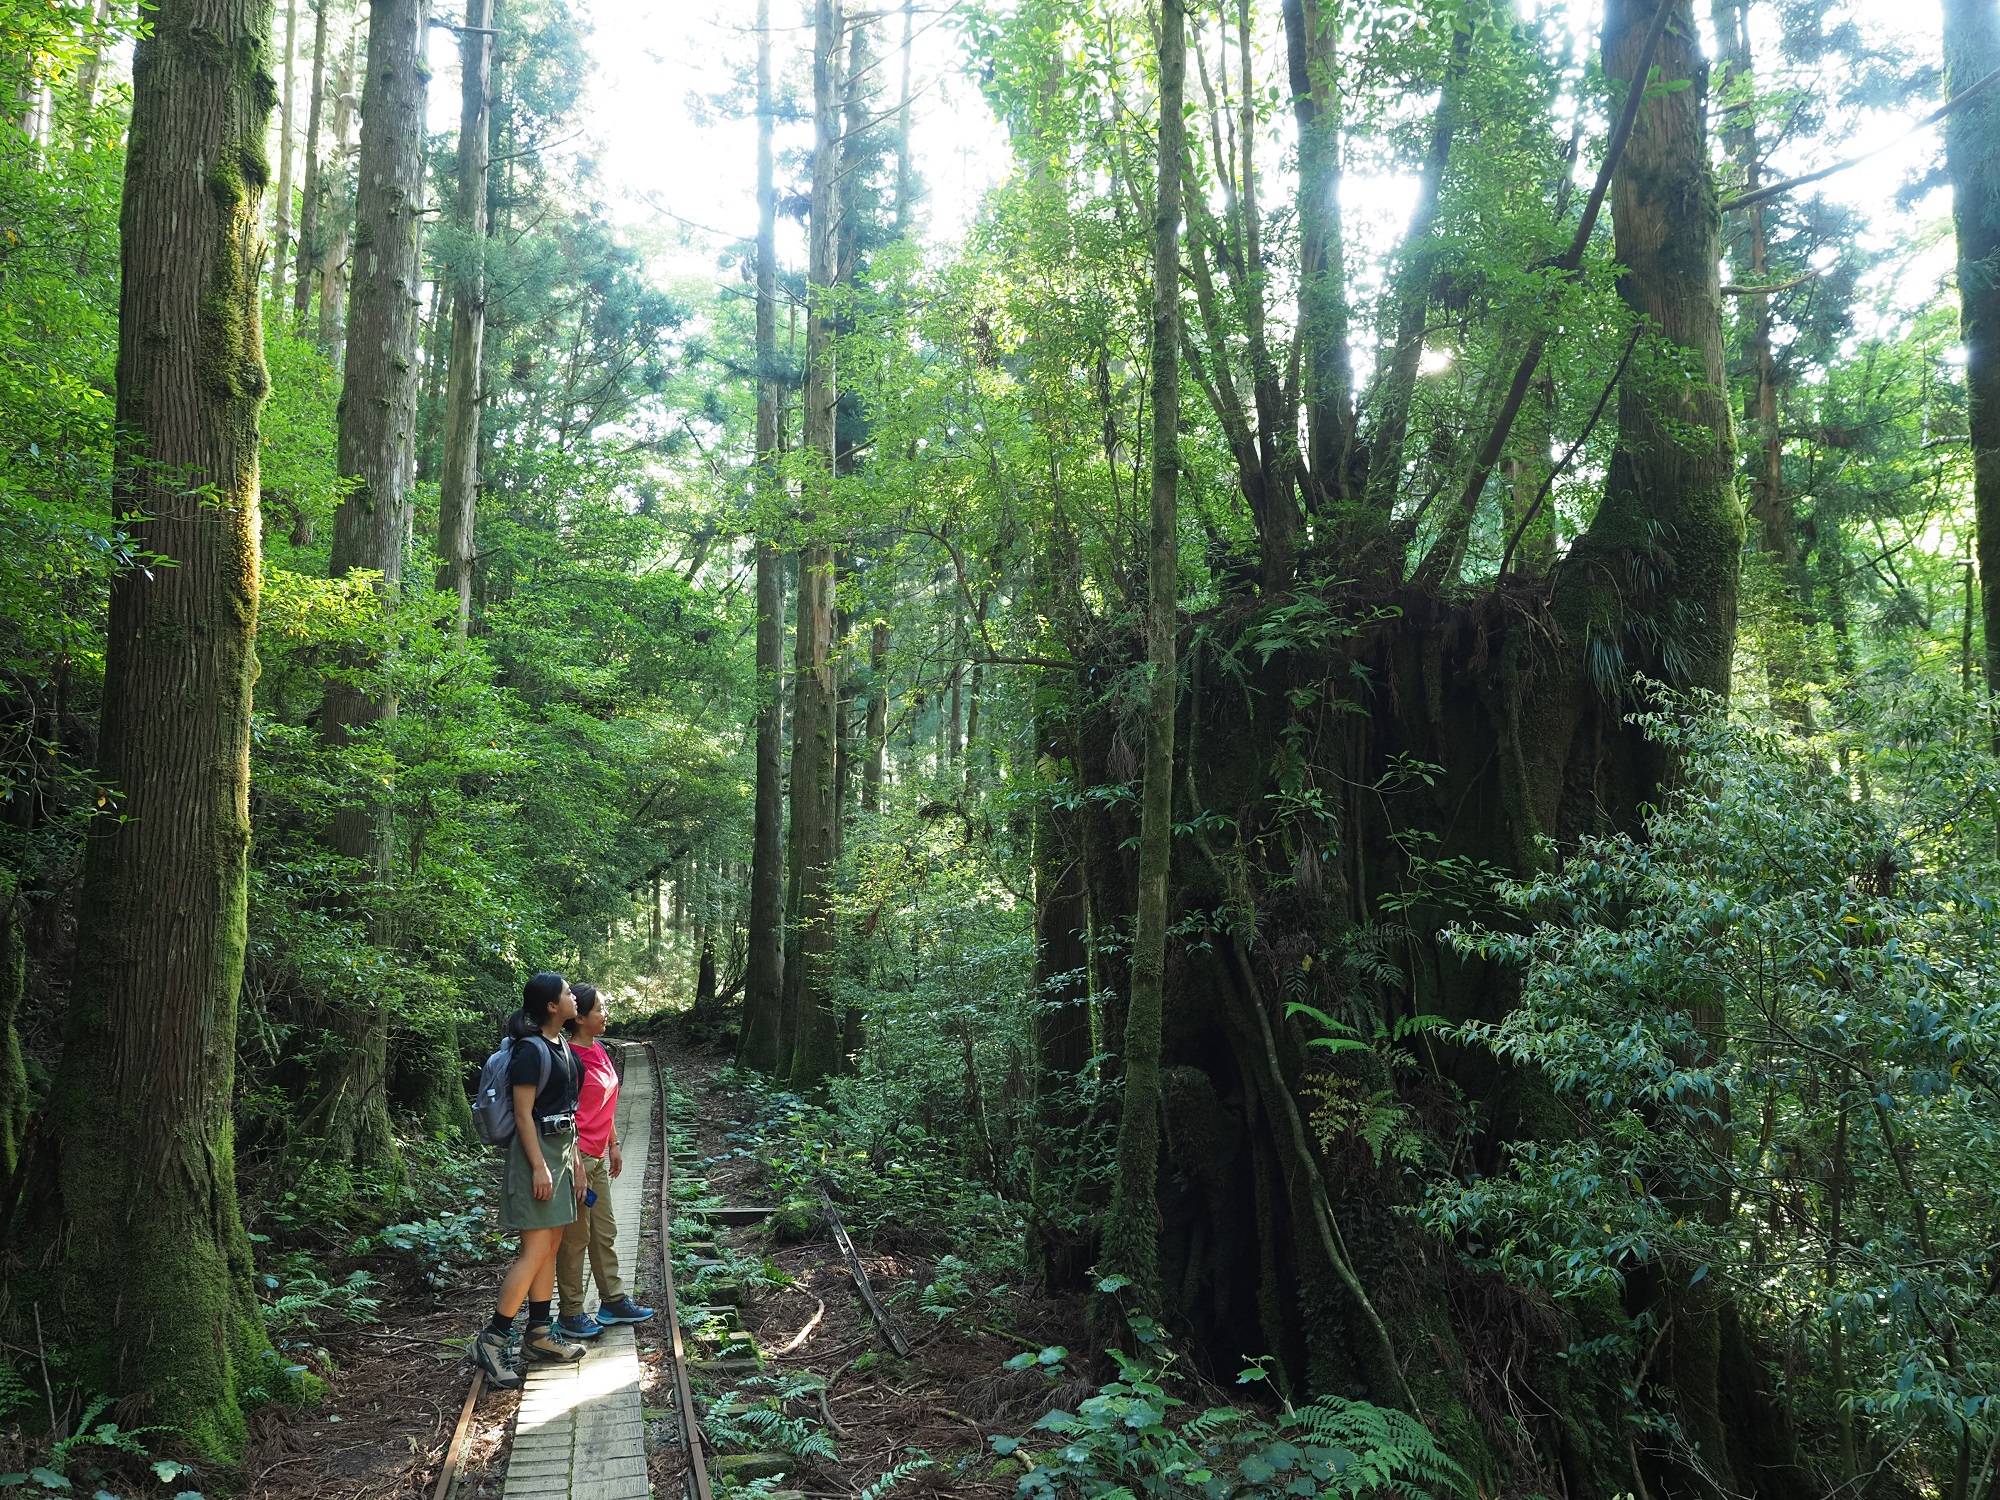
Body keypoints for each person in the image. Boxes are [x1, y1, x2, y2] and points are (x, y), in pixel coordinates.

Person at [469, 971, 590, 1389]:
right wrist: (539, 1166)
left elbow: (569, 1112)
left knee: (551, 1246)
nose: (575, 997)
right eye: (568, 993)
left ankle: (538, 1335)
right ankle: (493, 1338)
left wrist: (575, 1163)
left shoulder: (563, 1047)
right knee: (535, 1250)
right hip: (535, 1156)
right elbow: (523, 1114)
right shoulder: (530, 1050)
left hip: (560, 1153)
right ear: (552, 1007)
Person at [554, 984, 655, 1338]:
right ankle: (570, 1313)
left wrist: (613, 1144)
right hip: (577, 1159)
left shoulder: (599, 1049)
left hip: (598, 1155)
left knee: (605, 1231)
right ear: (579, 1017)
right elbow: (566, 1116)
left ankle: (612, 1301)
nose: (605, 1013)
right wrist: (577, 1167)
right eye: (600, 1009)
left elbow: (607, 1102)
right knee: (575, 1238)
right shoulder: (569, 1060)